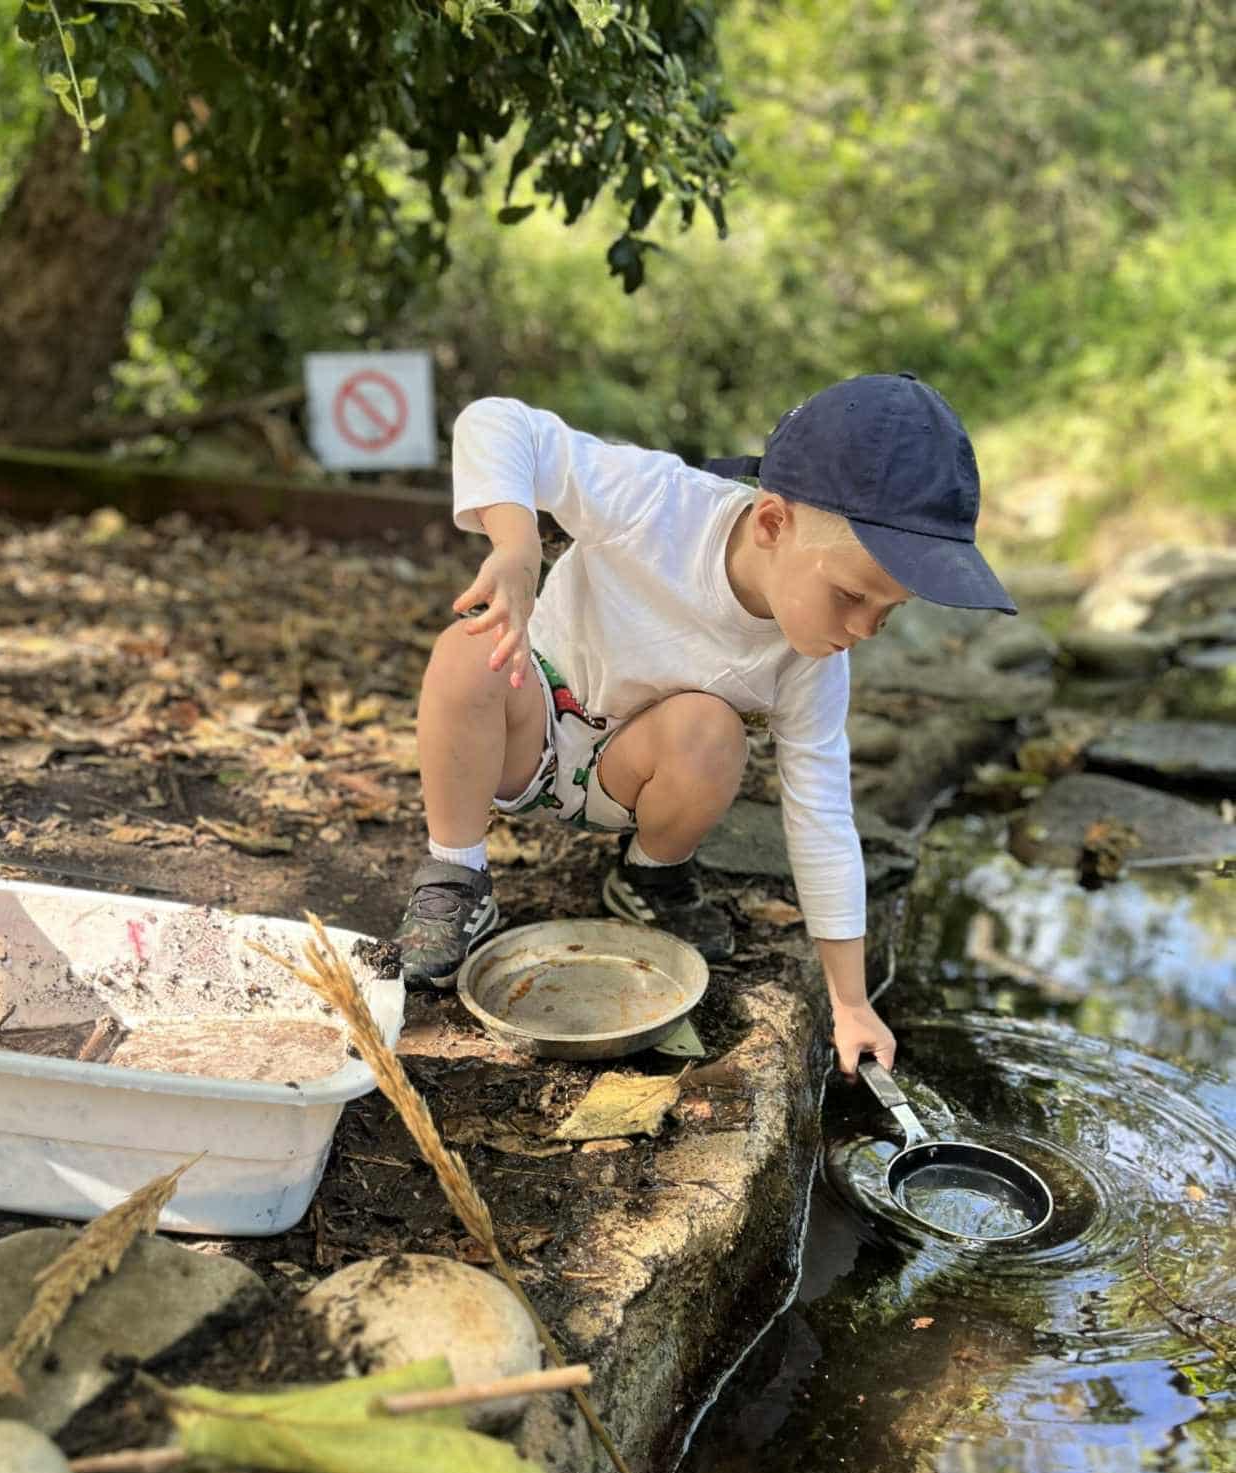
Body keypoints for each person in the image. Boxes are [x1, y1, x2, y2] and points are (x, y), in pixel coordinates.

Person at [397, 372, 1016, 1075]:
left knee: (711, 727)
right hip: (527, 732)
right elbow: (497, 421)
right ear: (772, 524)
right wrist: (516, 545)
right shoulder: (657, 503)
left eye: (889, 611)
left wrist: (849, 1002)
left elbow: (823, 813)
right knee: (469, 647)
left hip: (629, 777)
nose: (864, 630)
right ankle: (456, 878)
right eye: (850, 595)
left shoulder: (811, 661)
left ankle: (648, 877)